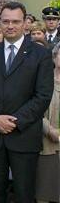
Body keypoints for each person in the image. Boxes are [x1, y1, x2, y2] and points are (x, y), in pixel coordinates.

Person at [0, 1, 54, 203]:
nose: (10, 26)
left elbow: (43, 95)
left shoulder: (41, 54)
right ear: (0, 23)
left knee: (24, 193)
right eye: (6, 21)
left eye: (15, 21)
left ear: (25, 23)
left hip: (24, 136)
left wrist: (14, 121)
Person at [35, 43, 60, 202]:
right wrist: (49, 130)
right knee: (45, 192)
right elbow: (36, 108)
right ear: (55, 56)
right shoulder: (44, 80)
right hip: (46, 144)